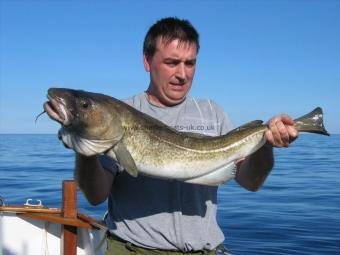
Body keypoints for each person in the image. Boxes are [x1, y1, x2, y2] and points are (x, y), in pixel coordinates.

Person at [74, 17, 298, 255]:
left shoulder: (213, 113)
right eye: (172, 62)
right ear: (147, 61)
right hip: (133, 249)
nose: (182, 74)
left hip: (205, 250)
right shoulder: (118, 114)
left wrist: (266, 145)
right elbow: (96, 196)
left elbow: (250, 182)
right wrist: (85, 151)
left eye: (190, 63)